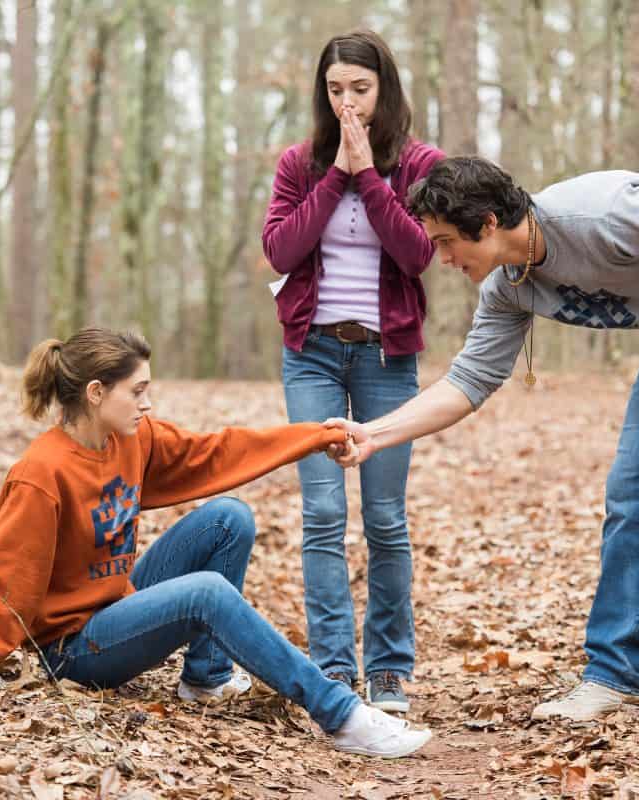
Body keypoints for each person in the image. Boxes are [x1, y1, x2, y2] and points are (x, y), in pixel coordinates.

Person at [326, 157, 639, 721]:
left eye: (444, 242)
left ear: (486, 223)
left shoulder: (600, 213)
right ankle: (613, 676)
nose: (442, 259)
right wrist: (373, 434)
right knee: (632, 489)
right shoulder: (509, 287)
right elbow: (469, 380)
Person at [0, 327, 431, 759]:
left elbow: (215, 453)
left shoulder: (131, 438)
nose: (148, 404)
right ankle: (343, 716)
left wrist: (310, 436)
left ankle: (205, 677)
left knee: (227, 518)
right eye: (138, 390)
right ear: (97, 392)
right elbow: (4, 572)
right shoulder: (41, 474)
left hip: (115, 605)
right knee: (206, 593)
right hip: (72, 649)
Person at [262, 29, 444, 713]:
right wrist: (336, 171)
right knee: (321, 514)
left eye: (359, 90)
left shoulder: (421, 163)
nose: (347, 103)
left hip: (386, 357)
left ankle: (390, 669)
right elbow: (280, 250)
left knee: (386, 518)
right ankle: (334, 668)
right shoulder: (299, 163)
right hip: (310, 352)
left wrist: (368, 175)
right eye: (335, 90)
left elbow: (419, 253)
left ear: (383, 89)